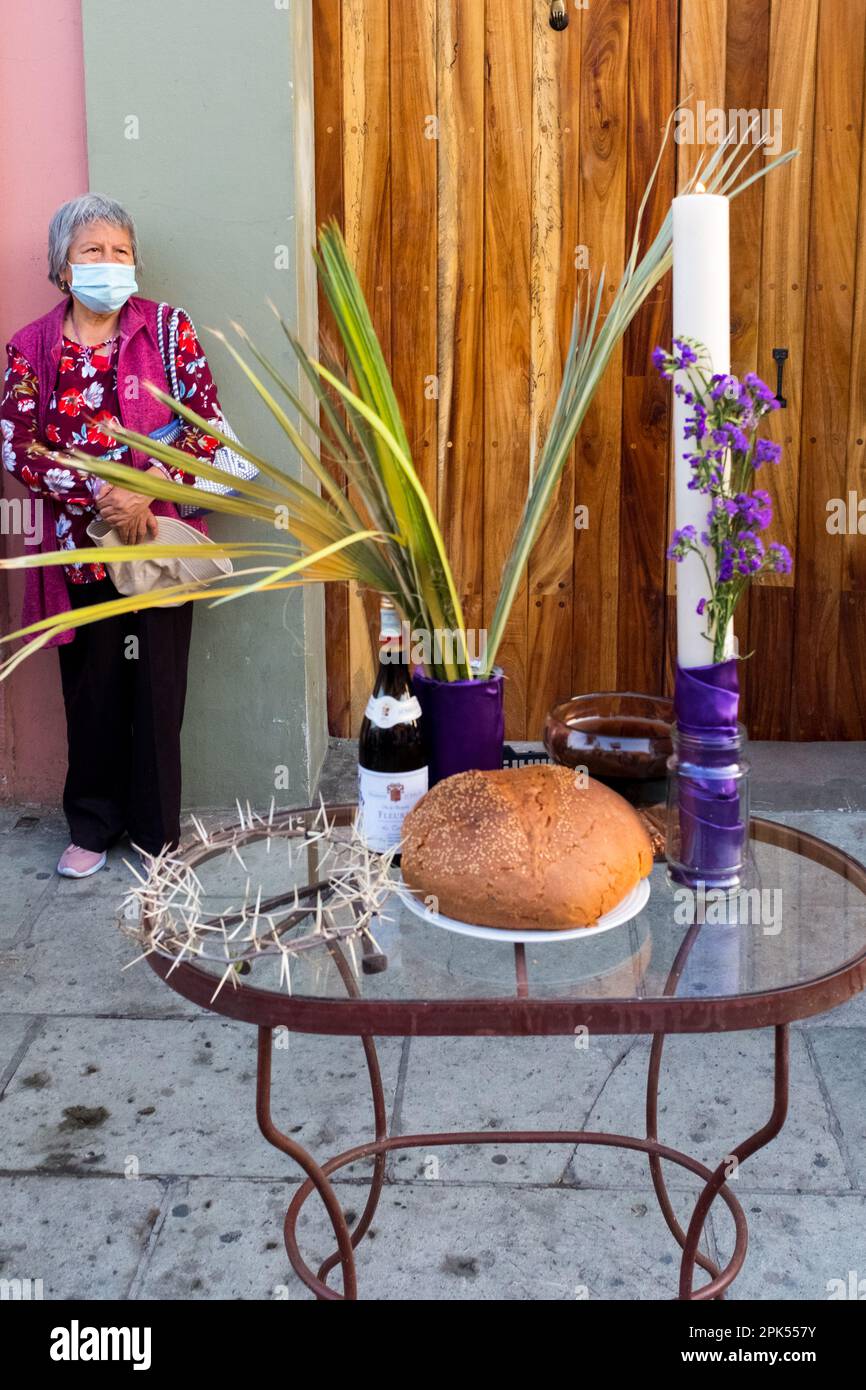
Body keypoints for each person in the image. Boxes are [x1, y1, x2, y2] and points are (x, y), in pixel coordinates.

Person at [1, 194, 228, 877]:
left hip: (156, 539)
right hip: (77, 549)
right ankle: (92, 827)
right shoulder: (31, 347)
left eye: (120, 251)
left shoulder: (166, 330)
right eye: (91, 252)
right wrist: (96, 495)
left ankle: (158, 836)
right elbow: (17, 442)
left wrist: (142, 490)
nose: (108, 263)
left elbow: (205, 428)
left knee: (158, 692)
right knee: (91, 690)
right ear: (62, 268)